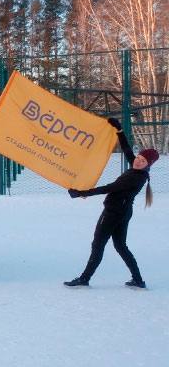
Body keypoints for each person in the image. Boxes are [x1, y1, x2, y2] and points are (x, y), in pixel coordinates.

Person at [64, 118, 157, 289]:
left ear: (148, 165)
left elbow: (110, 188)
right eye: (138, 157)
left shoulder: (136, 177)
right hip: (123, 212)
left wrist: (80, 193)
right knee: (120, 245)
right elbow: (127, 149)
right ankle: (138, 279)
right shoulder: (138, 170)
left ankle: (84, 278)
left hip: (114, 213)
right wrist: (119, 130)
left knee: (98, 244)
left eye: (143, 161)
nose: (137, 161)